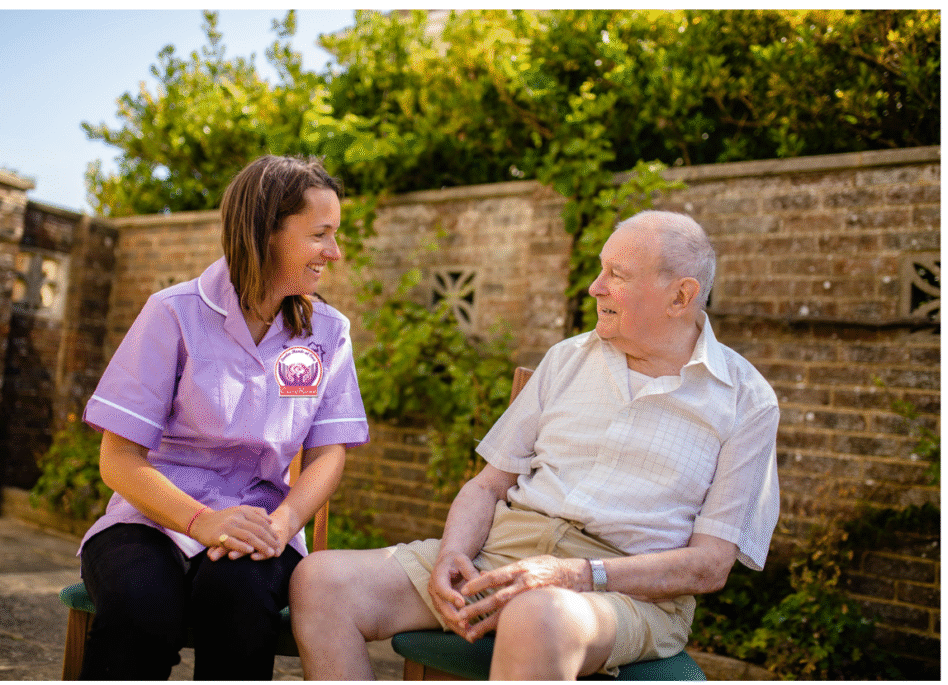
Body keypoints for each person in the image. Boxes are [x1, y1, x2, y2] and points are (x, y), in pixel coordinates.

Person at [289, 210, 780, 680]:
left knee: (538, 615)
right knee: (321, 582)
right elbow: (487, 487)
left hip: (622, 592)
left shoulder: (746, 401)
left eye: (617, 274)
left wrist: (575, 575)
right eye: (601, 269)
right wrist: (453, 553)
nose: (596, 286)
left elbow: (709, 566)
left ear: (680, 296)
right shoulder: (567, 359)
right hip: (500, 554)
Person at [76, 155, 369, 680]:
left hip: (261, 527)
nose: (334, 251)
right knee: (142, 608)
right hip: (151, 520)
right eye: (320, 235)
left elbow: (329, 453)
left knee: (238, 604)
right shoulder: (173, 312)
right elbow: (118, 459)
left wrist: (282, 524)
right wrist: (202, 522)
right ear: (265, 233)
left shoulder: (329, 332)